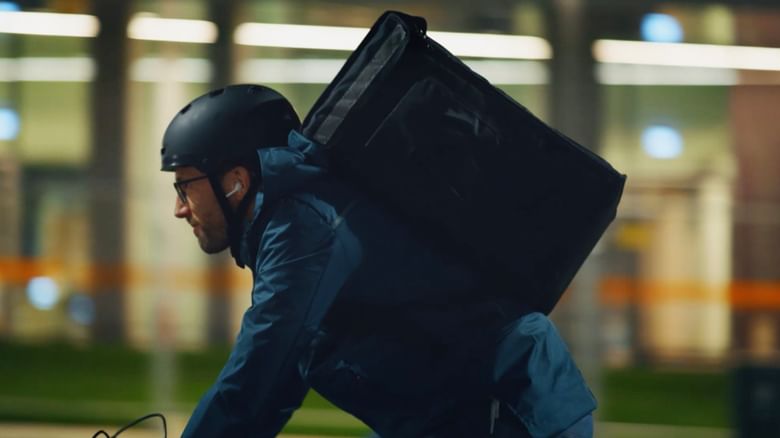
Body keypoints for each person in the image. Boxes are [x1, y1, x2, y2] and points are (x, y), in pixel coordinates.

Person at [161, 84, 597, 437]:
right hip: (459, 414)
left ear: (235, 182)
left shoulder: (307, 225)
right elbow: (276, 385)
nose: (180, 208)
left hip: (509, 411)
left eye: (185, 187)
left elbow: (261, 367)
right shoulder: (297, 221)